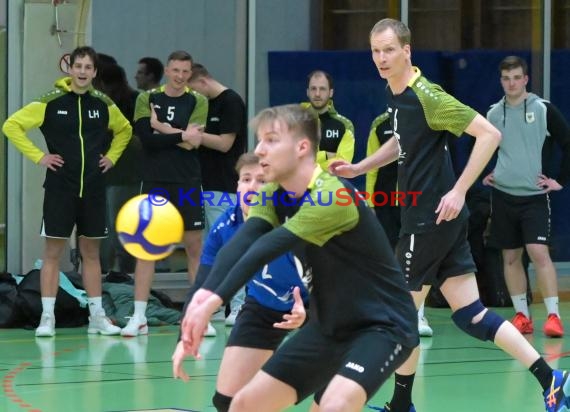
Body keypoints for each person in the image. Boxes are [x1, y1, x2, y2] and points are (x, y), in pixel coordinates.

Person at [330, 18, 570, 412]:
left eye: (389, 50)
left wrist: (459, 190)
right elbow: (402, 141)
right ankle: (551, 378)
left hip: (428, 220)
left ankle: (401, 405)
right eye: (376, 50)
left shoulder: (430, 96)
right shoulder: (397, 94)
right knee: (472, 316)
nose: (381, 58)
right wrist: (360, 167)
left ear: (407, 51)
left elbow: (490, 135)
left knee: (402, 316)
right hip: (433, 221)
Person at [173, 104, 418, 412]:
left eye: (271, 140)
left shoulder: (332, 197)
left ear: (302, 147)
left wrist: (209, 305)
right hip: (328, 325)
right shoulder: (272, 192)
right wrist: (202, 301)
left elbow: (270, 245)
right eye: (260, 140)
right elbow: (243, 242)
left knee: (334, 405)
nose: (260, 150)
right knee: (243, 405)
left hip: (383, 325)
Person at [2, 46, 131, 337]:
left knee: (91, 253)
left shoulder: (103, 104)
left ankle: (97, 317)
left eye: (88, 67)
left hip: (94, 188)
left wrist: (111, 157)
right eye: (79, 66)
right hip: (61, 187)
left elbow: (125, 130)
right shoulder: (50, 101)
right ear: (70, 69)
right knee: (53, 252)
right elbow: (11, 126)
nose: (83, 72)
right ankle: (47, 318)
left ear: (95, 72)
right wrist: (40, 157)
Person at [176, 152, 310, 411]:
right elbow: (202, 286)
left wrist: (307, 310)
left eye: (261, 180)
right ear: (236, 186)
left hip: (317, 306)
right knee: (226, 401)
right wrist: (185, 336)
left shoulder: (295, 221)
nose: (252, 187)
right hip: (264, 306)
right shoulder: (225, 226)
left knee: (327, 398)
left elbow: (329, 278)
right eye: (245, 179)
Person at [120, 50, 207, 337]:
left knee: (194, 246)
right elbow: (146, 140)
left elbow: (195, 145)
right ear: (167, 71)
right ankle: (139, 316)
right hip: (156, 181)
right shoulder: (147, 98)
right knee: (147, 247)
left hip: (188, 181)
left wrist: (162, 128)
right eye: (176, 71)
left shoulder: (199, 100)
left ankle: (196, 318)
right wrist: (177, 135)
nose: (181, 77)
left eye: (186, 72)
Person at [485, 55, 570, 338]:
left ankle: (553, 317)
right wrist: (489, 172)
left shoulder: (543, 109)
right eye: (506, 78)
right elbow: (483, 147)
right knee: (510, 257)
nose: (511, 83)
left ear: (525, 80)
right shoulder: (494, 114)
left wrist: (560, 180)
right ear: (501, 81)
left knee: (538, 253)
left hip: (534, 197)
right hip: (503, 196)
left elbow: (567, 142)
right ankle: (522, 315)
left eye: (516, 78)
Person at [186, 63, 248, 324]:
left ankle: (239, 304)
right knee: (209, 246)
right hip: (202, 184)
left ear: (202, 82)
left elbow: (225, 144)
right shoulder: (203, 105)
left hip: (224, 186)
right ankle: (214, 304)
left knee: (231, 245)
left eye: (193, 90)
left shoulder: (231, 101)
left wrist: (196, 137)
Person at [366, 111, 433, 338]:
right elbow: (371, 165)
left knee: (416, 256)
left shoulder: (424, 120)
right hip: (384, 201)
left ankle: (417, 314)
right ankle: (386, 313)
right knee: (386, 257)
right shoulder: (379, 124)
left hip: (415, 199)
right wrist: (369, 202)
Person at [94, 58, 141, 277]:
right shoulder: (130, 100)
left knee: (115, 224)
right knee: (112, 224)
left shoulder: (119, 104)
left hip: (122, 172)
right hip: (119, 171)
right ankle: (113, 271)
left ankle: (119, 273)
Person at [301, 70, 355, 170]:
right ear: (307, 92)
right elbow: (291, 159)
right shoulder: (295, 121)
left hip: (331, 184)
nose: (317, 94)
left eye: (322, 89)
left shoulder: (344, 125)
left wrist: (313, 160)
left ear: (331, 93)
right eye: (313, 89)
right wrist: (326, 155)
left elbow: (342, 165)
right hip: (300, 185)